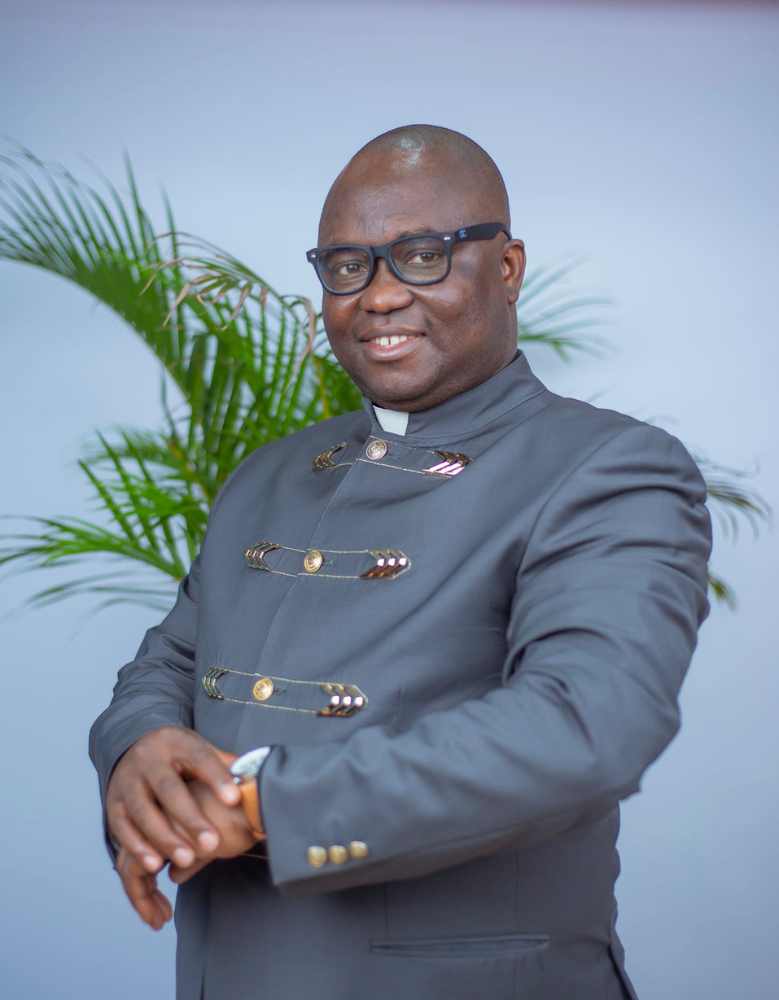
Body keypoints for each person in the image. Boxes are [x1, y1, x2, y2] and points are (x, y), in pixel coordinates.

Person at [89, 124, 713, 1000]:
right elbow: (168, 662)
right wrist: (137, 751)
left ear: (506, 267)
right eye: (346, 266)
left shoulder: (605, 466)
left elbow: (586, 725)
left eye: (422, 256)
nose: (378, 296)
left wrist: (264, 802)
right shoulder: (269, 474)